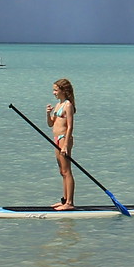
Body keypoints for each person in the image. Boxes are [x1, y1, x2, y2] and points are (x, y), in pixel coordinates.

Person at [45, 78, 76, 210]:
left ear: (63, 91)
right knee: (62, 171)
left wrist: (65, 145)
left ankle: (69, 203)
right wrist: (47, 114)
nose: (54, 93)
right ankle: (64, 200)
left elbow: (70, 126)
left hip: (64, 139)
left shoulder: (68, 105)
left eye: (56, 90)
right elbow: (51, 124)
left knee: (67, 171)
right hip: (56, 139)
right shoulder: (58, 105)